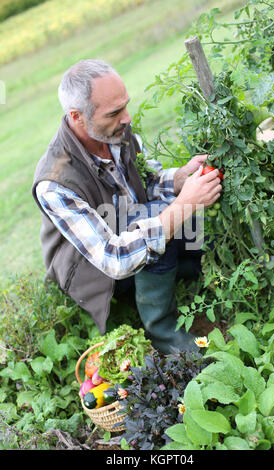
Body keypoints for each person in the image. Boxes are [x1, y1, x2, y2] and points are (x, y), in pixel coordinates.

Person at [32, 59, 222, 354]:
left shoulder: (115, 133)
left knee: (196, 238)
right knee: (162, 223)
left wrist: (180, 178)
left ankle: (187, 273)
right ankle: (165, 336)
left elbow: (148, 182)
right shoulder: (55, 183)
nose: (126, 117)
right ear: (77, 116)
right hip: (97, 272)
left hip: (127, 225)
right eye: (115, 112)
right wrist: (184, 205)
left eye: (125, 105)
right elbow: (115, 258)